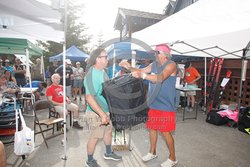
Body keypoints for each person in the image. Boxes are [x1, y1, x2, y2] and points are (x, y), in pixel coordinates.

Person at [119, 44, 178, 167]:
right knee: (152, 129)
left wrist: (143, 76)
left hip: (166, 105)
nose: (154, 55)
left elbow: (159, 78)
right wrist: (129, 67)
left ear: (163, 54)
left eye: (156, 52)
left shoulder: (171, 65)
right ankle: (152, 152)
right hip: (153, 103)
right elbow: (141, 71)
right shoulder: (154, 64)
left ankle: (173, 158)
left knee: (166, 132)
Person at [84, 48, 122, 167]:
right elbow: (89, 98)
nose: (106, 59)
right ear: (96, 59)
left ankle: (108, 152)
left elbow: (106, 88)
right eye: (102, 57)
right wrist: (102, 114)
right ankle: (89, 160)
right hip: (96, 113)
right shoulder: (91, 75)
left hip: (105, 110)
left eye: (106, 57)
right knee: (95, 137)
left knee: (108, 132)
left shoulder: (102, 71)